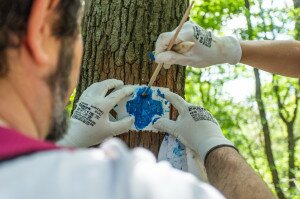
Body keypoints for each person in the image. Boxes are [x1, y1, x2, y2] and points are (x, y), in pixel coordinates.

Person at [0, 1, 276, 199]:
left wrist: (65, 144)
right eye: (78, 31)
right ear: (42, 26)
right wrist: (214, 146)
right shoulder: (130, 186)